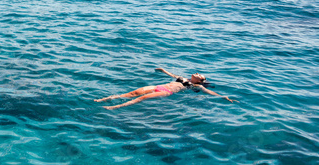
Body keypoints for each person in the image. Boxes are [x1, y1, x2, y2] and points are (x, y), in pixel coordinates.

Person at [94, 67, 238, 110]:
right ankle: (105, 99)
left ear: (201, 80)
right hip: (159, 86)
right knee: (133, 92)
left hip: (166, 92)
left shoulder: (196, 85)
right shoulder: (184, 78)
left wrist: (222, 97)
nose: (197, 73)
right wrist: (163, 71)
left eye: (200, 75)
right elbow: (172, 74)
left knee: (142, 98)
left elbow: (209, 91)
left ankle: (116, 107)